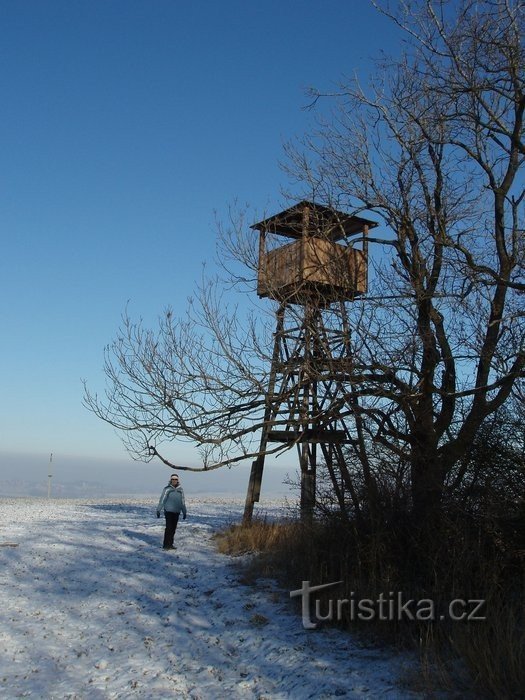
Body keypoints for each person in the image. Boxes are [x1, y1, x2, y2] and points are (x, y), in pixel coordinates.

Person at [156, 474, 187, 550]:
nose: (174, 480)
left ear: (178, 480)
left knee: (173, 529)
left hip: (176, 512)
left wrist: (184, 511)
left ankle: (171, 544)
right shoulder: (167, 489)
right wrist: (158, 509)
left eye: (175, 479)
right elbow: (162, 499)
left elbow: (182, 501)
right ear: (170, 480)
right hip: (168, 511)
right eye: (173, 479)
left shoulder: (181, 490)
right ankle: (166, 545)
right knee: (169, 528)